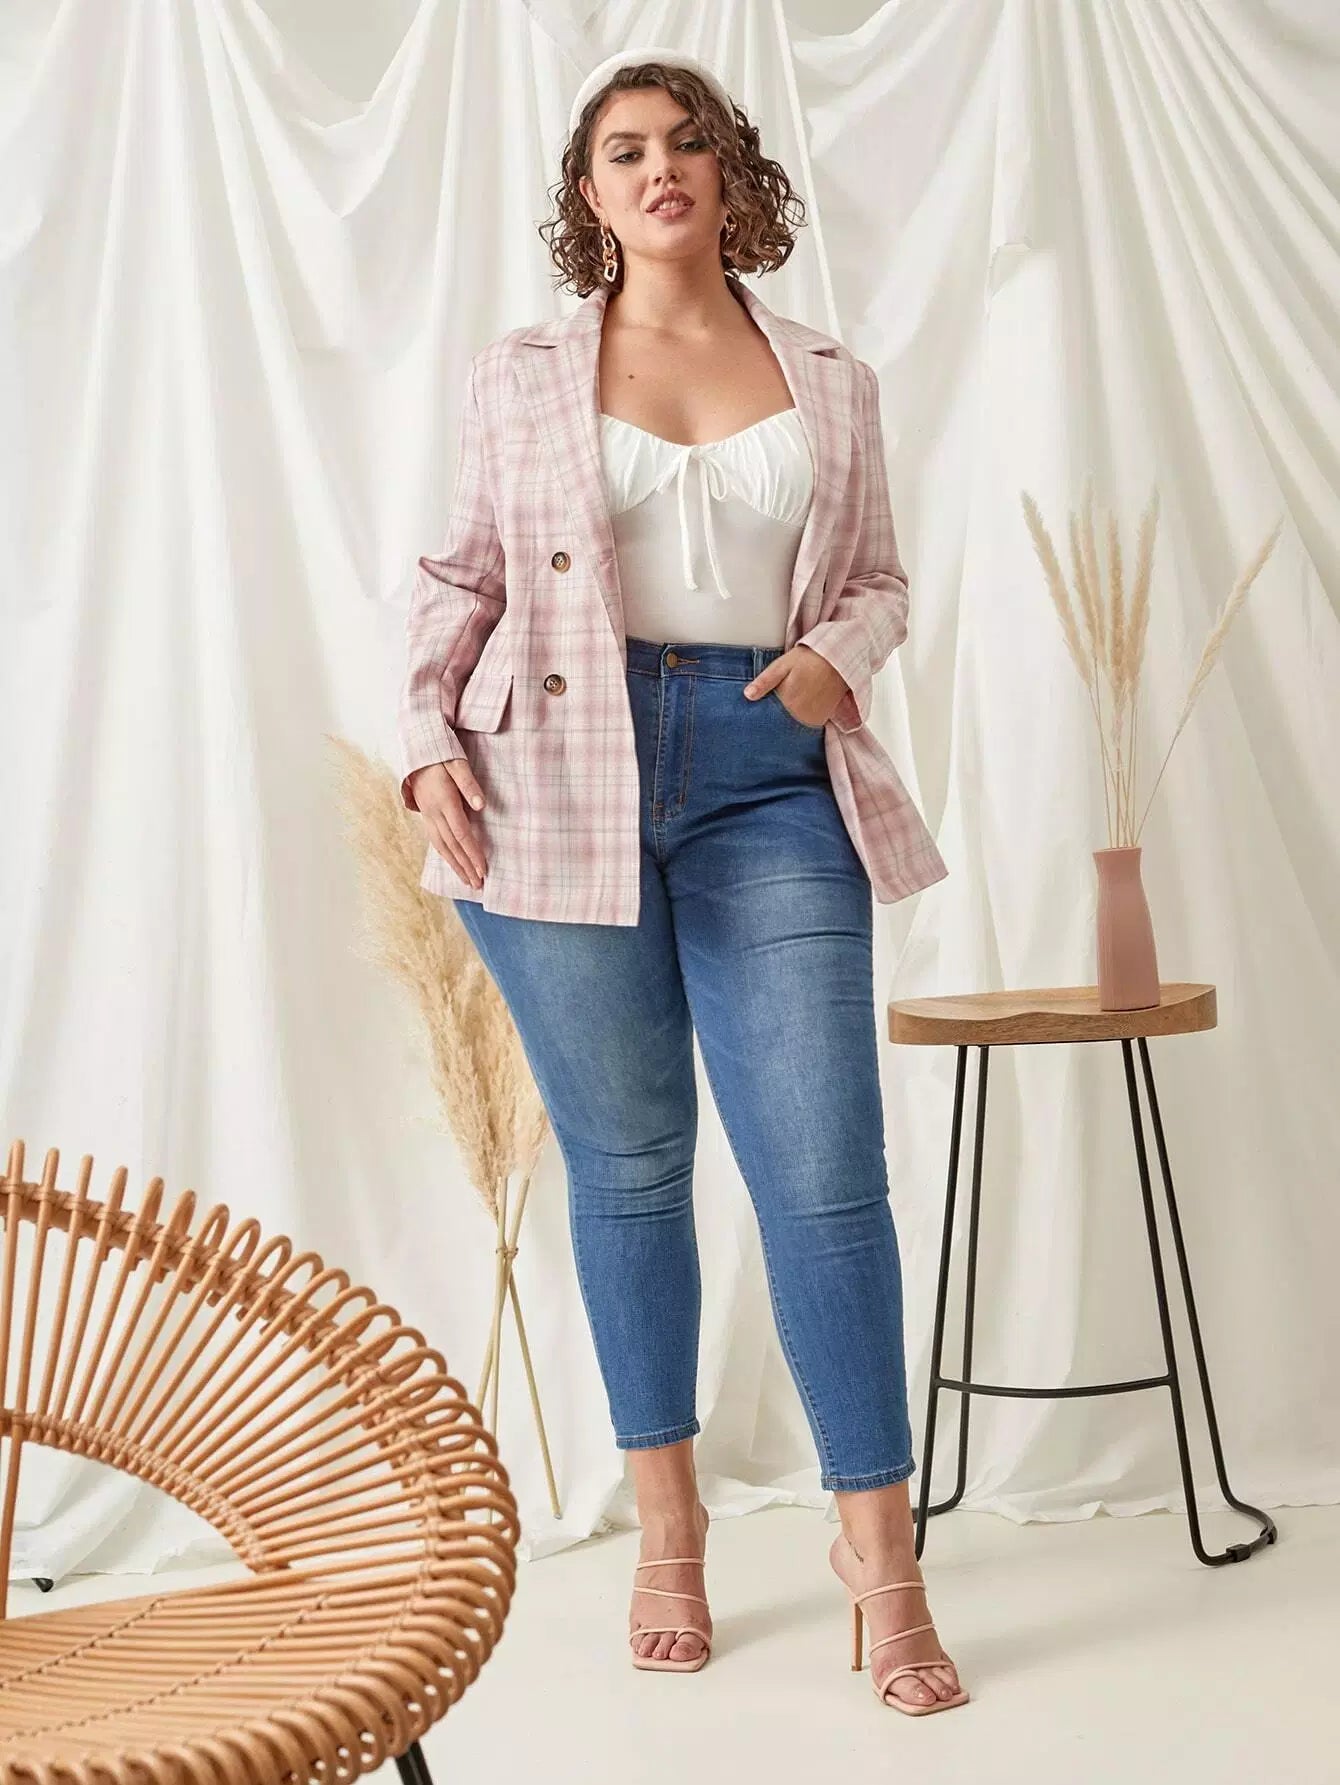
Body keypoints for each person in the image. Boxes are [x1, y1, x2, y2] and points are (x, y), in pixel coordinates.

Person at [397, 46, 964, 1716]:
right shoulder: (522, 373)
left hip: (767, 773)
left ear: (730, 174)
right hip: (551, 777)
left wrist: (837, 657)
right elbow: (461, 573)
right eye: (627, 148)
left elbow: (877, 578)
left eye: (687, 143)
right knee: (632, 1166)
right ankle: (669, 1529)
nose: (661, 168)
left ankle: (882, 1557)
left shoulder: (831, 375)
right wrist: (424, 737)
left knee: (825, 1174)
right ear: (590, 193)